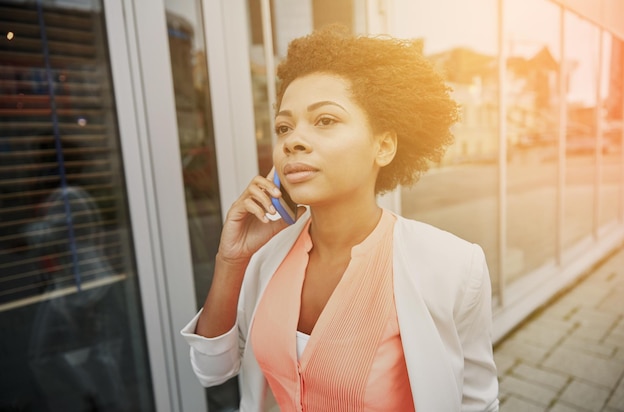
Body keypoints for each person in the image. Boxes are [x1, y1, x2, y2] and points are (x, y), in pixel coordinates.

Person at [181, 25, 499, 411]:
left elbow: (477, 401)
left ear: (383, 146)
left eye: (325, 120)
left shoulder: (453, 267)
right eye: (284, 126)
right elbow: (211, 370)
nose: (292, 140)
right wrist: (231, 261)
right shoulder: (267, 257)